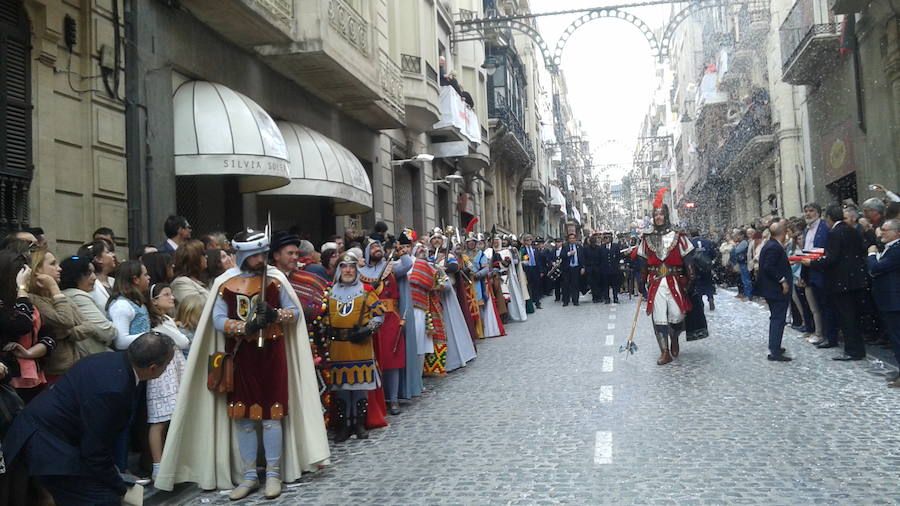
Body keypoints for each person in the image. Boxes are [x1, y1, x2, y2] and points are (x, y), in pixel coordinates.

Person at [156, 228, 328, 500]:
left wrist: (274, 314)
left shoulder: (275, 278)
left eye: (263, 253)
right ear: (246, 254)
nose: (262, 258)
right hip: (241, 356)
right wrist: (245, 325)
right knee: (243, 417)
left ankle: (272, 473)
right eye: (257, 254)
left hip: (272, 354)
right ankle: (249, 475)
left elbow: (294, 313)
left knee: (272, 415)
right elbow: (217, 319)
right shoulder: (226, 282)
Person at [2, 333, 174, 506]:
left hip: (55, 434)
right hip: (48, 442)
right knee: (102, 499)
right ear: (153, 368)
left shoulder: (109, 360)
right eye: (166, 365)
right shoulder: (114, 389)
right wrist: (118, 486)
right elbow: (95, 451)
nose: (166, 369)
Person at [323, 251, 384, 442]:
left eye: (351, 267)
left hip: (360, 346)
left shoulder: (366, 291)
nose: (348, 270)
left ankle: (359, 423)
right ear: (338, 269)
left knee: (359, 386)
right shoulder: (329, 292)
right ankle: (343, 425)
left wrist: (368, 329)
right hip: (337, 347)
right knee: (340, 388)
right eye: (344, 267)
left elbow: (380, 314)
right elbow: (322, 317)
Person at [637, 188, 696, 365]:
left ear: (666, 216)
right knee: (659, 317)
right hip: (656, 282)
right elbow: (643, 262)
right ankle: (665, 352)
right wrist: (641, 282)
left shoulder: (678, 235)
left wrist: (691, 278)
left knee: (677, 316)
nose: (658, 217)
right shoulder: (647, 238)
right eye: (656, 215)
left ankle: (675, 337)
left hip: (675, 280)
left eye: (661, 214)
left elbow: (688, 258)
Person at [801, 203, 868, 361]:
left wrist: (812, 263)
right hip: (856, 279)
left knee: (846, 317)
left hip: (841, 281)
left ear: (829, 218)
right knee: (854, 317)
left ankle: (852, 351)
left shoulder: (834, 233)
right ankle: (858, 349)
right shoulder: (852, 230)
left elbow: (832, 258)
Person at [359, 238, 411, 415]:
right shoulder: (360, 271)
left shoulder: (391, 268)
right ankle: (376, 400)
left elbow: (407, 264)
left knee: (392, 359)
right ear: (367, 253)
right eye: (373, 247)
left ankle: (394, 399)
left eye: (379, 246)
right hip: (368, 318)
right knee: (372, 360)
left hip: (390, 318)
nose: (377, 249)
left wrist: (400, 249)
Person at [145, 283, 189, 480]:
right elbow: (182, 342)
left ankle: (171, 461)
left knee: (171, 417)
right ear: (154, 300)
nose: (172, 298)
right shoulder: (159, 322)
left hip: (173, 369)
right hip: (164, 373)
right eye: (166, 295)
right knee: (159, 420)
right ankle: (158, 464)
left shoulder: (166, 319)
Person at [26, 250, 82, 381]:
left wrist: (68, 334)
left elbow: (90, 326)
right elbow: (66, 320)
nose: (60, 268)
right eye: (52, 264)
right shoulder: (33, 299)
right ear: (37, 271)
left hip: (74, 364)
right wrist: (53, 286)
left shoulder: (58, 297)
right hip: (53, 371)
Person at [865, 219, 900, 387]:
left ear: (896, 232)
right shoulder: (890, 248)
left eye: (885, 230)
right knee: (895, 338)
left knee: (897, 338)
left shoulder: (897, 249)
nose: (881, 233)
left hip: (894, 300)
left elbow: (875, 269)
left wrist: (871, 255)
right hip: (888, 299)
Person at [59, 256, 116, 356]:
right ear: (75, 277)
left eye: (93, 272)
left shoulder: (64, 295)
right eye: (88, 273)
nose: (94, 277)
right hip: (92, 356)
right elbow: (106, 331)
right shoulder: (78, 296)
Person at [755, 221, 793, 361]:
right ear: (783, 232)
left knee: (776, 318)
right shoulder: (773, 247)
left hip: (772, 289)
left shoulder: (770, 245)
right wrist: (782, 280)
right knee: (778, 318)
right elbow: (768, 267)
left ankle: (775, 346)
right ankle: (775, 350)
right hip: (776, 290)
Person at [801, 202, 836, 347]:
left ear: (818, 213)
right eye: (806, 211)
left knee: (827, 306)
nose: (808, 214)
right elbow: (805, 251)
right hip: (810, 271)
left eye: (811, 211)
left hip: (822, 271)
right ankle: (820, 333)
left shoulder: (824, 227)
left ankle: (830, 336)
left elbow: (825, 249)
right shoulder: (806, 230)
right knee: (817, 306)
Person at [78, 240, 117, 310]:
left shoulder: (114, 281)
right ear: (99, 259)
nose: (113, 255)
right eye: (108, 252)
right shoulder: (90, 285)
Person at [170, 239, 209, 304]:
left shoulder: (201, 279)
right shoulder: (180, 283)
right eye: (203, 254)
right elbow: (195, 307)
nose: (206, 256)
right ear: (194, 259)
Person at [690, 230, 717, 310]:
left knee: (698, 284)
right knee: (708, 283)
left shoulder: (690, 243)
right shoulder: (707, 242)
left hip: (696, 266)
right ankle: (710, 298)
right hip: (706, 266)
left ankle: (700, 302)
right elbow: (713, 253)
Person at [520, 235, 545, 309]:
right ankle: (529, 304)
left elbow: (539, 260)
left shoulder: (535, 249)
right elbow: (524, 259)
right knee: (528, 287)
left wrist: (541, 271)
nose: (529, 241)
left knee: (536, 286)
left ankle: (537, 303)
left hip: (535, 269)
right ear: (524, 241)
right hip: (528, 269)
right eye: (527, 240)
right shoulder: (523, 250)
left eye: (530, 240)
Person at [560, 233, 585, 307]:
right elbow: (561, 255)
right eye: (570, 238)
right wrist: (569, 254)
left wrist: (583, 267)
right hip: (567, 268)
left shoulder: (579, 247)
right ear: (568, 239)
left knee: (575, 285)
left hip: (576, 268)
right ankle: (566, 301)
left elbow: (582, 258)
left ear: (575, 239)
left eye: (573, 238)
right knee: (566, 285)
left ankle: (575, 300)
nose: (572, 240)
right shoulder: (565, 247)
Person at [601, 232, 622, 303]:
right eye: (605, 238)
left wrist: (616, 264)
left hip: (614, 269)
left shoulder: (615, 246)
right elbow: (600, 258)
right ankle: (607, 298)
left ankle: (615, 297)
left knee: (615, 285)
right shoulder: (602, 247)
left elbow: (619, 256)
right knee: (605, 285)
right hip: (605, 269)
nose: (606, 239)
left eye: (608, 237)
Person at [584, 233, 605, 303]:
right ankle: (595, 297)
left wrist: (600, 267)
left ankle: (599, 297)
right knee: (592, 284)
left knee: (599, 283)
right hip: (590, 269)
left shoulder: (599, 249)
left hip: (597, 268)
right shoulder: (586, 249)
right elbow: (585, 259)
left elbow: (601, 259)